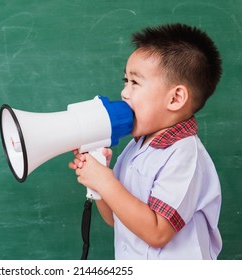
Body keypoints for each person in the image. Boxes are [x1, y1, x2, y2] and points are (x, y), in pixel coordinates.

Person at [69, 23, 223, 259]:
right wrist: (99, 182)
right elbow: (115, 219)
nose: (124, 92)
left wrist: (106, 181)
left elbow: (158, 233)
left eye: (135, 82)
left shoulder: (184, 155)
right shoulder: (136, 146)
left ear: (176, 98)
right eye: (125, 80)